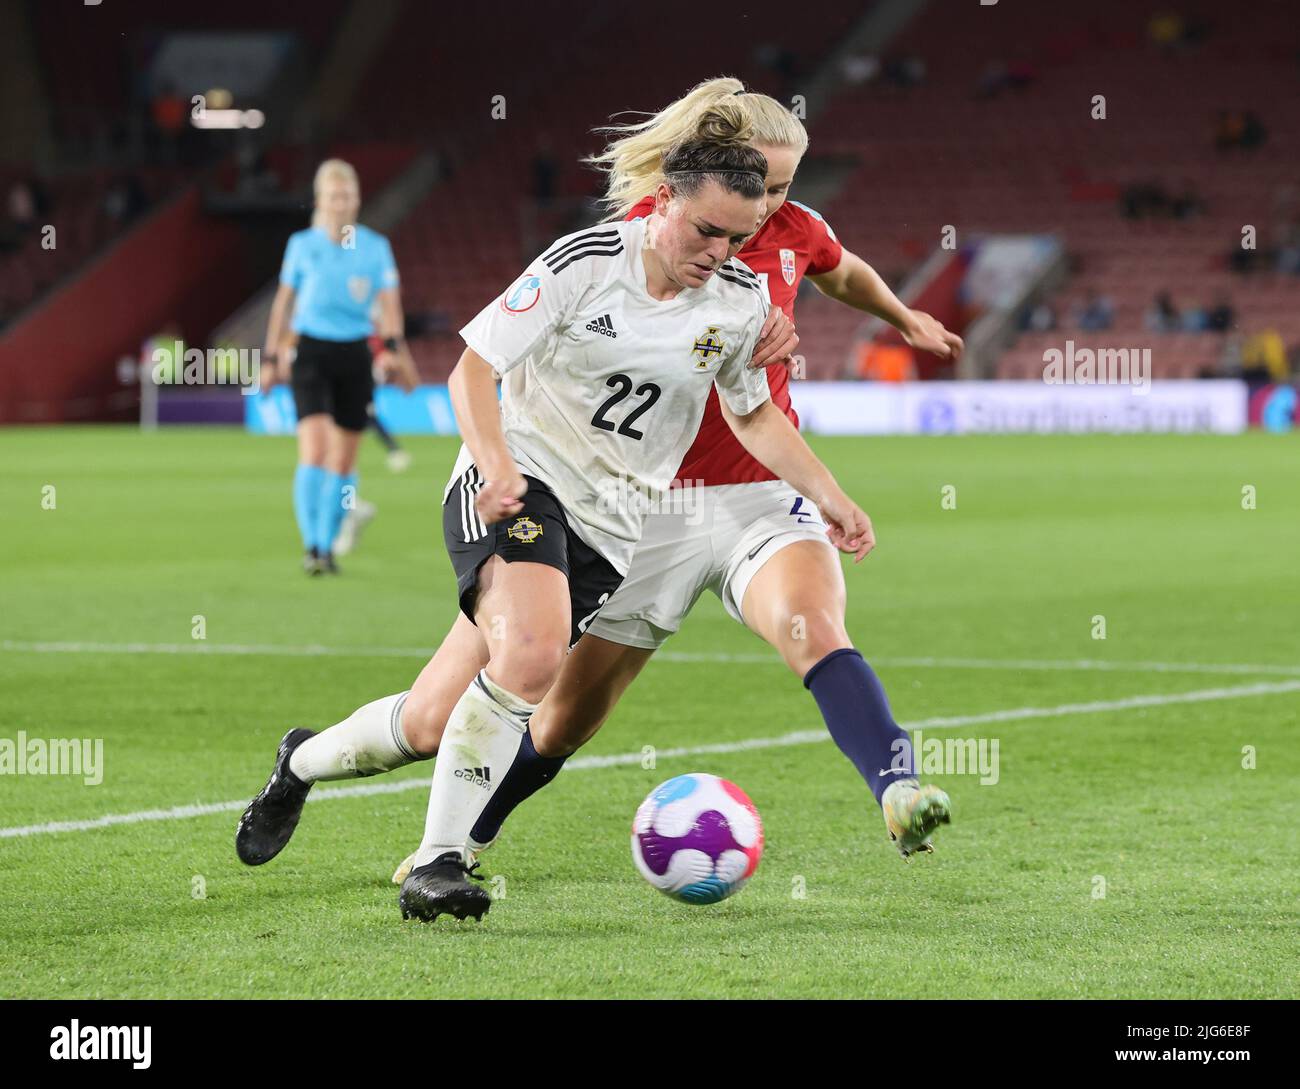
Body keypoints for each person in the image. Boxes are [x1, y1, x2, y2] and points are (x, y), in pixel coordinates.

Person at [237, 107, 876, 920]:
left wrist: (830, 496)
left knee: (431, 719)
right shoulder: (587, 262)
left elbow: (753, 417)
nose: (719, 253)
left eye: (737, 239)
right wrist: (496, 460)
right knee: (534, 656)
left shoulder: (740, 300)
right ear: (669, 201)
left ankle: (300, 763)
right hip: (520, 481)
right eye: (707, 231)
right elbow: (473, 369)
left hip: (611, 527)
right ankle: (440, 862)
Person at [259, 159, 415, 574]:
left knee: (343, 462)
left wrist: (396, 352)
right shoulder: (302, 245)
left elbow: (390, 307)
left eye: (346, 195)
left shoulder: (375, 247)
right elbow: (283, 304)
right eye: (333, 196)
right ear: (320, 201)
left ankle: (327, 546)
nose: (340, 203)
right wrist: (271, 358)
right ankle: (312, 546)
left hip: (354, 357)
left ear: (357, 200)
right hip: (310, 353)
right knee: (313, 451)